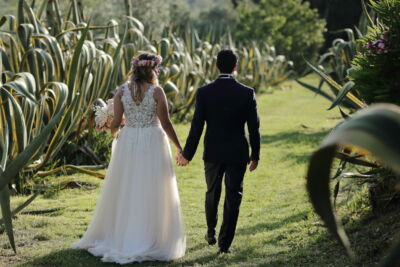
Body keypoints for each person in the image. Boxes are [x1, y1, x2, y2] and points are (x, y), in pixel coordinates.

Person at [72, 53, 186, 264]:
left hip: (129, 140)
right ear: (153, 71)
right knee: (153, 186)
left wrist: (108, 126)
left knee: (127, 186)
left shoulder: (122, 91)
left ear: (135, 70)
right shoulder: (157, 91)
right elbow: (166, 123)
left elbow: (115, 125)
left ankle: (124, 236)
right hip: (153, 140)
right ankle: (151, 237)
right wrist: (180, 148)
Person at [176, 49, 261, 254]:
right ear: (235, 67)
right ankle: (224, 245)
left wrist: (187, 154)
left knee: (212, 192)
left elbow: (197, 127)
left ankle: (211, 230)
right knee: (234, 196)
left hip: (213, 152)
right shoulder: (247, 92)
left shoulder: (205, 92)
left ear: (216, 66)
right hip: (237, 152)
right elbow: (254, 128)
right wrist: (255, 154)